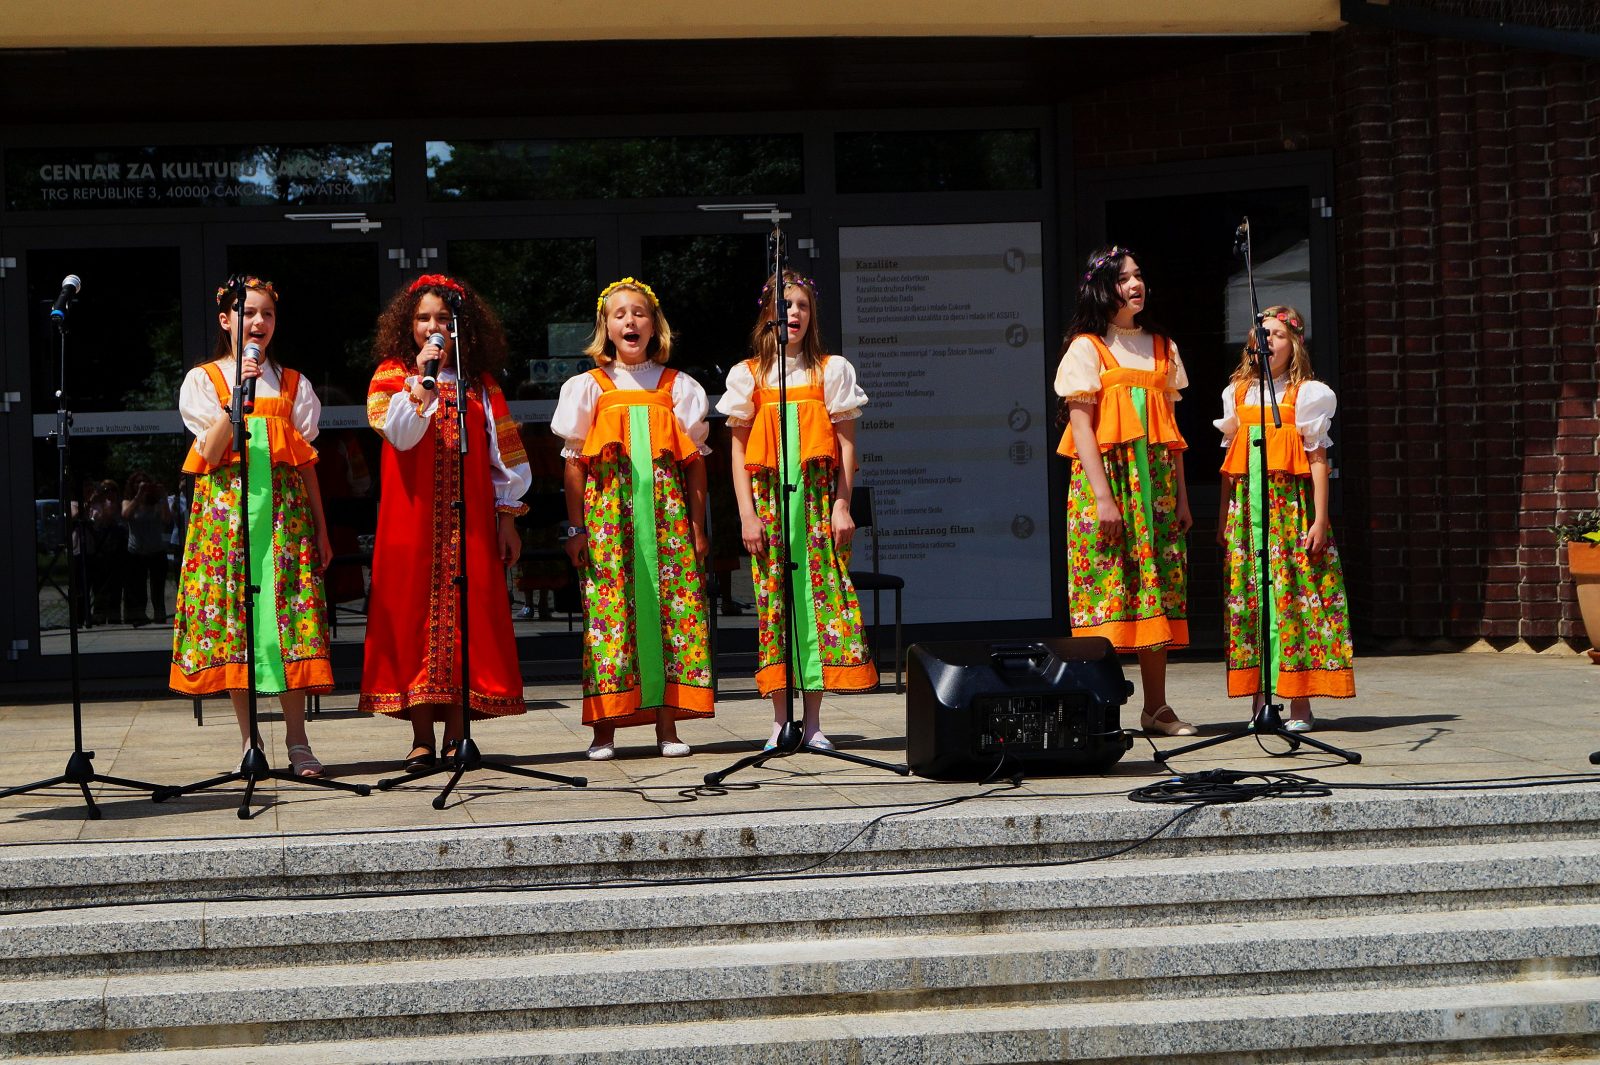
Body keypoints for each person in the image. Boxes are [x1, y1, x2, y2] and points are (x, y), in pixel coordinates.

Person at [360, 274, 528, 769]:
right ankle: (420, 738)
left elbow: (507, 459)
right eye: (423, 318)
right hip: (409, 521)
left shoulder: (481, 384)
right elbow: (400, 435)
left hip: (469, 521)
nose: (432, 327)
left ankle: (457, 735)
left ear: (461, 326)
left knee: (465, 619)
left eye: (442, 318)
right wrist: (421, 382)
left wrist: (508, 518)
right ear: (408, 325)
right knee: (411, 618)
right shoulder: (392, 377)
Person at [170, 276, 334, 778]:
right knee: (238, 627)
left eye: (267, 314)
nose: (259, 322)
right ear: (226, 321)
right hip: (225, 522)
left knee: (287, 623)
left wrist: (321, 528)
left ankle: (298, 740)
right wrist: (236, 395)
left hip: (284, 521)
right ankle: (249, 740)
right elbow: (210, 450)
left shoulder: (293, 383)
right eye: (248, 313)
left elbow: (305, 464)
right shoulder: (205, 381)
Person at [551, 277, 713, 759]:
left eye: (639, 313)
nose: (630, 321)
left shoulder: (677, 386)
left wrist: (698, 527)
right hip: (609, 526)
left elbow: (695, 463)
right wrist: (576, 528)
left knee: (672, 618)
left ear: (654, 324)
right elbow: (575, 464)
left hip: (668, 524)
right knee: (609, 622)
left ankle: (668, 728)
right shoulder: (589, 387)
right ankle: (605, 730)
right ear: (606, 327)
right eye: (619, 314)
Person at [718, 271, 876, 751]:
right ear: (767, 314)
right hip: (770, 509)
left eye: (802, 305)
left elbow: (847, 448)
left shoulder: (831, 370)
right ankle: (779, 722)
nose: (794, 313)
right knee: (775, 607)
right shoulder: (749, 375)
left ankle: (813, 723)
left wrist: (842, 504)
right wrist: (747, 515)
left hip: (816, 508)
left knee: (818, 606)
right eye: (785, 305)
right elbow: (738, 452)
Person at [1054, 246, 1195, 736]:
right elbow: (1081, 429)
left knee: (1155, 589)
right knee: (1106, 592)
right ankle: (1097, 710)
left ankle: (1157, 707)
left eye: (1139, 275)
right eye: (1123, 278)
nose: (1136, 284)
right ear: (1102, 288)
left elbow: (1172, 433)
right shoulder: (1086, 348)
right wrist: (1103, 498)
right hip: (1108, 486)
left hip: (1156, 491)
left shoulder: (1162, 347)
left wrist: (1181, 496)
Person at [1215, 306, 1354, 729]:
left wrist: (1320, 518)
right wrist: (1223, 518)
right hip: (1247, 515)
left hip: (1288, 512)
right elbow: (1230, 467)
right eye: (1261, 334)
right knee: (1252, 602)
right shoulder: (1238, 393)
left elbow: (1317, 459)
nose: (1267, 341)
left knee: (1293, 599)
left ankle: (1299, 704)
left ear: (1294, 344)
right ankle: (1260, 704)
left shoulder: (1305, 395)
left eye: (1277, 334)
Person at [122, 470, 173, 625]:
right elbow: (126, 515)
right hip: (136, 551)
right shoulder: (128, 502)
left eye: (144, 482)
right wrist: (138, 495)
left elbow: (167, 520)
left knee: (158, 586)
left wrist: (163, 497)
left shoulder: (157, 503)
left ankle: (159, 614)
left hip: (156, 550)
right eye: (137, 482)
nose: (141, 484)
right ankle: (139, 615)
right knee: (138, 586)